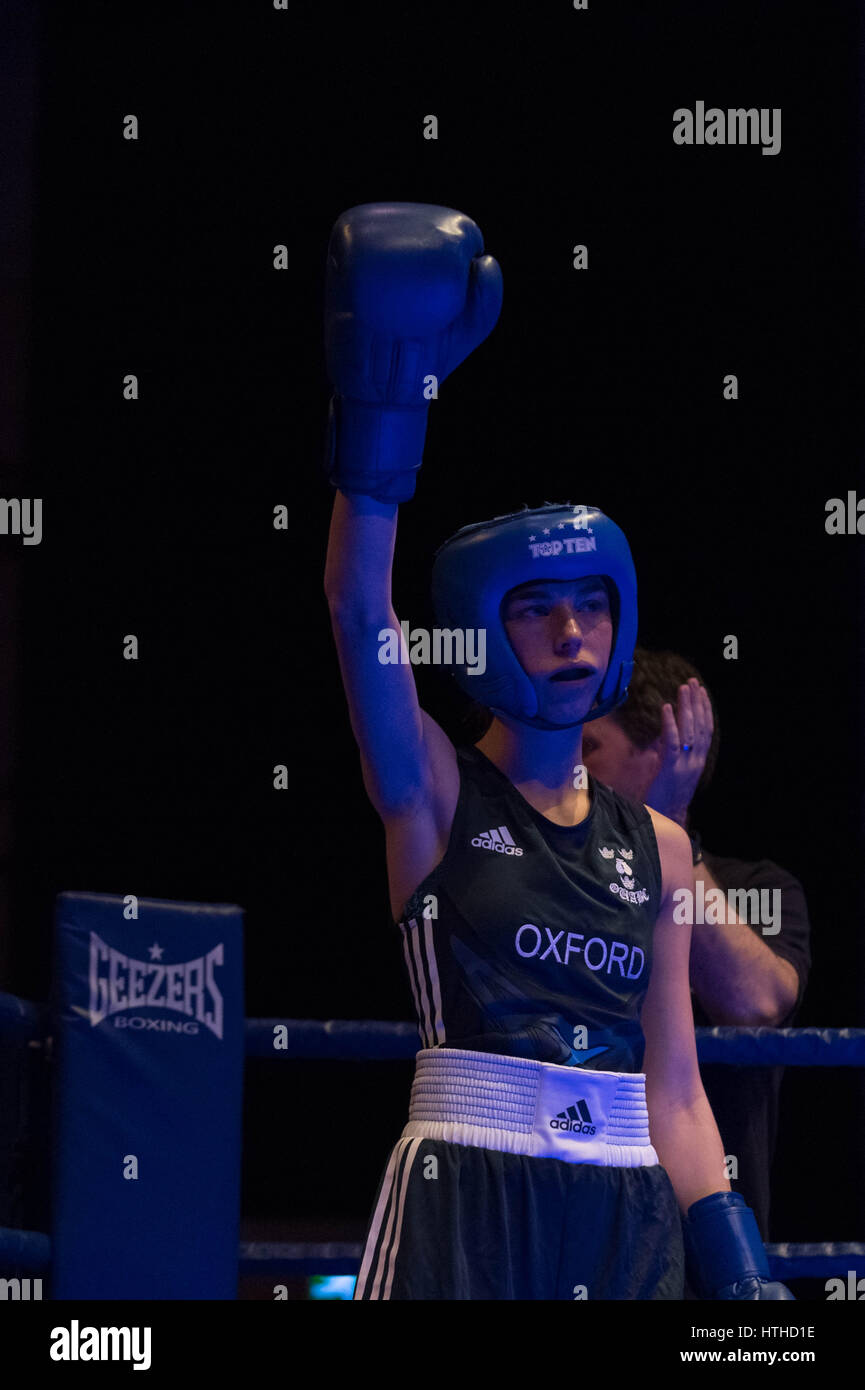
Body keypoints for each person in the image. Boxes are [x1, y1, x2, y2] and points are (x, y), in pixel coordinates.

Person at [322, 201, 793, 1300]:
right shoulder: (433, 791)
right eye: (538, 608)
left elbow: (673, 1088)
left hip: (626, 1198)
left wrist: (736, 1265)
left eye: (592, 604)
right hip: (465, 1185)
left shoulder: (662, 850)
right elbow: (356, 610)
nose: (573, 632)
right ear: (485, 624)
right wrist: (382, 416)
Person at [579, 648, 811, 1241]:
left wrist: (666, 827)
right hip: (581, 1215)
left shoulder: (757, 887)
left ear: (666, 746)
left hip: (706, 1224)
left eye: (589, 750)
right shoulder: (562, 883)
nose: (571, 770)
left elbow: (755, 1002)